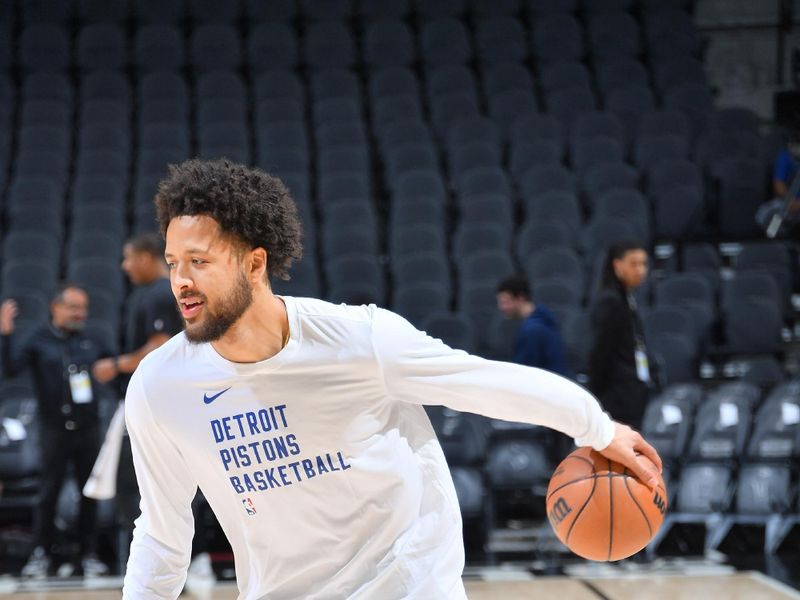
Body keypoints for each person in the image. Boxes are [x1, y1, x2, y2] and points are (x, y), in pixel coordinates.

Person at [122, 159, 663, 600]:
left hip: (408, 586)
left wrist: (597, 428)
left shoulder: (360, 340)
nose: (181, 282)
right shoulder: (159, 386)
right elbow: (162, 536)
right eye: (172, 262)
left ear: (255, 264)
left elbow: (486, 383)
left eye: (199, 261)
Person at [0, 284, 113, 578]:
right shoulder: (38, 339)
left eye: (84, 309)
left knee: (89, 492)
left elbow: (113, 367)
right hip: (53, 429)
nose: (80, 314)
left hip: (88, 428)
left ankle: (87, 554)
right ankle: (41, 554)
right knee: (47, 493)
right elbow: (12, 368)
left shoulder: (92, 339)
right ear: (56, 307)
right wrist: (6, 332)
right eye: (74, 307)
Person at [90, 232, 183, 569]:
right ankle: (176, 558)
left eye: (129, 258)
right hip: (168, 400)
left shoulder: (158, 294)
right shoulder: (169, 290)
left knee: (130, 485)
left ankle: (154, 562)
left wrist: (115, 365)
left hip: (152, 402)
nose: (124, 266)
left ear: (146, 257)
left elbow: (159, 345)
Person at [587, 241, 654, 430]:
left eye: (644, 264)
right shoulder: (610, 301)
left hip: (630, 391)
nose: (641, 270)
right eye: (634, 264)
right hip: (616, 396)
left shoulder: (626, 298)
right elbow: (601, 351)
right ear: (617, 265)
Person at [496, 274, 568, 377]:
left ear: (521, 298)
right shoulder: (544, 322)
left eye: (505, 302)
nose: (502, 307)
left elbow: (522, 374)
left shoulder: (532, 330)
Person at [756, 129, 800, 235]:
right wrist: (789, 202)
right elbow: (778, 184)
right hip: (787, 202)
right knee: (765, 216)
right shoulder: (785, 156)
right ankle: (776, 241)